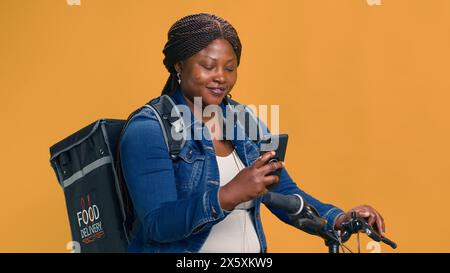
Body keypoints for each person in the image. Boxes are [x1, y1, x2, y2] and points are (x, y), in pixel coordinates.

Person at [119, 13, 386, 253]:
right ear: (179, 66)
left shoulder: (246, 121)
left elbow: (284, 192)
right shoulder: (148, 129)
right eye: (208, 66)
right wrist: (229, 194)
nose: (221, 77)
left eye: (230, 68)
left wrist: (339, 218)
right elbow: (158, 223)